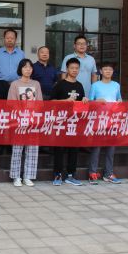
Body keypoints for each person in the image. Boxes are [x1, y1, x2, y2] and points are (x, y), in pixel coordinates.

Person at [51, 57, 88, 186]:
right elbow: (51, 102)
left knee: (74, 148)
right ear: (67, 69)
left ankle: (71, 175)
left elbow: (82, 103)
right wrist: (65, 101)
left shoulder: (79, 85)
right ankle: (57, 174)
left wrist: (84, 100)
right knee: (59, 148)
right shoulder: (60, 84)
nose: (74, 70)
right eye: (72, 68)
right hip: (61, 121)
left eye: (77, 68)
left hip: (75, 122)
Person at [8, 59, 42, 187]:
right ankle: (16, 176)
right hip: (19, 120)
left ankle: (28, 176)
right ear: (20, 69)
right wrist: (22, 113)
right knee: (17, 149)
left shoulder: (36, 84)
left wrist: (32, 113)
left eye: (30, 67)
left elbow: (40, 102)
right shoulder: (15, 84)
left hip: (33, 120)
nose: (28, 69)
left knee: (32, 149)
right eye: (25, 67)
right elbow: (11, 102)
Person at [88, 62, 122, 185]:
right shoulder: (95, 85)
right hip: (99, 120)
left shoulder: (116, 85)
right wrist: (97, 101)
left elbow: (119, 99)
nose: (108, 71)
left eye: (110, 69)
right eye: (105, 69)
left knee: (111, 149)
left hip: (112, 120)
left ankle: (108, 173)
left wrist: (119, 102)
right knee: (96, 148)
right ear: (101, 71)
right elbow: (89, 103)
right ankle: (92, 173)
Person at [0, 29, 24, 100]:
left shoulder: (21, 53)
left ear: (15, 39)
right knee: (1, 105)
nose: (9, 40)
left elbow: (23, 70)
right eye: (7, 38)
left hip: (17, 84)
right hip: (1, 84)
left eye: (12, 38)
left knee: (16, 105)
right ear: (4, 39)